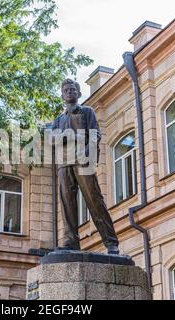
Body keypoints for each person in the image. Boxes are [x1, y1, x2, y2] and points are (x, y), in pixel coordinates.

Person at [52, 79, 120, 255]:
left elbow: (95, 133)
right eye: (66, 90)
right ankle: (70, 242)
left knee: (94, 200)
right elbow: (52, 140)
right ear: (62, 95)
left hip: (84, 161)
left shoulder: (87, 111)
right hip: (64, 163)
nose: (69, 92)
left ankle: (111, 242)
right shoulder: (58, 119)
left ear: (78, 93)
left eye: (73, 89)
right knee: (67, 204)